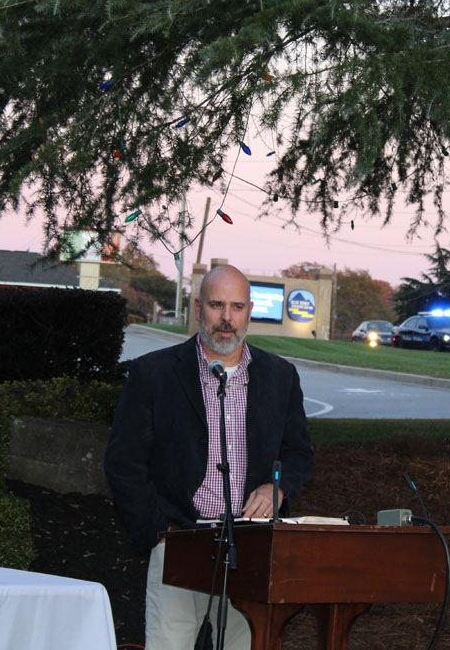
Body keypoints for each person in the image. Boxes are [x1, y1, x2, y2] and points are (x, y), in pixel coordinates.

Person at [104, 263, 314, 650]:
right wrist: (157, 532)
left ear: (250, 310)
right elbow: (124, 462)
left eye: (236, 307)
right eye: (217, 305)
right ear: (199, 308)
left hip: (253, 548)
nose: (227, 318)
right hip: (180, 541)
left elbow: (298, 453)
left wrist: (277, 488)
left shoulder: (280, 377)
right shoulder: (155, 374)